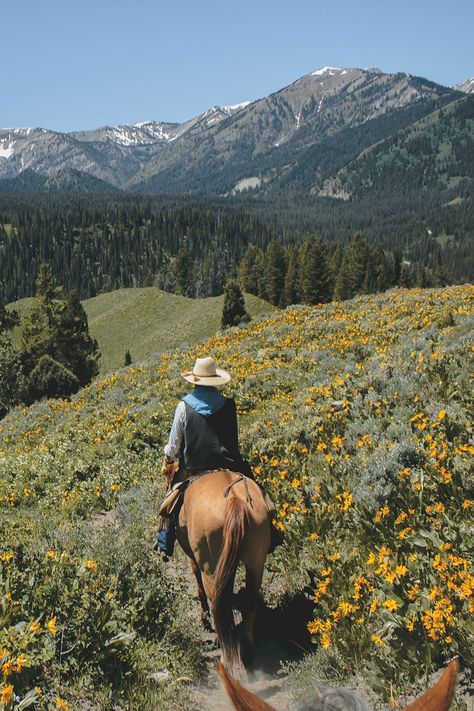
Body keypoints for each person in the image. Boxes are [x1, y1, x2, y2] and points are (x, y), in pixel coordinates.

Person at [156, 356, 282, 559]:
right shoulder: (229, 404)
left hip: (195, 469)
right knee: (259, 495)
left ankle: (164, 541)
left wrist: (169, 459)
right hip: (230, 466)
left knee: (170, 503)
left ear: (195, 380)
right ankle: (271, 531)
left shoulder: (183, 407)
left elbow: (173, 446)